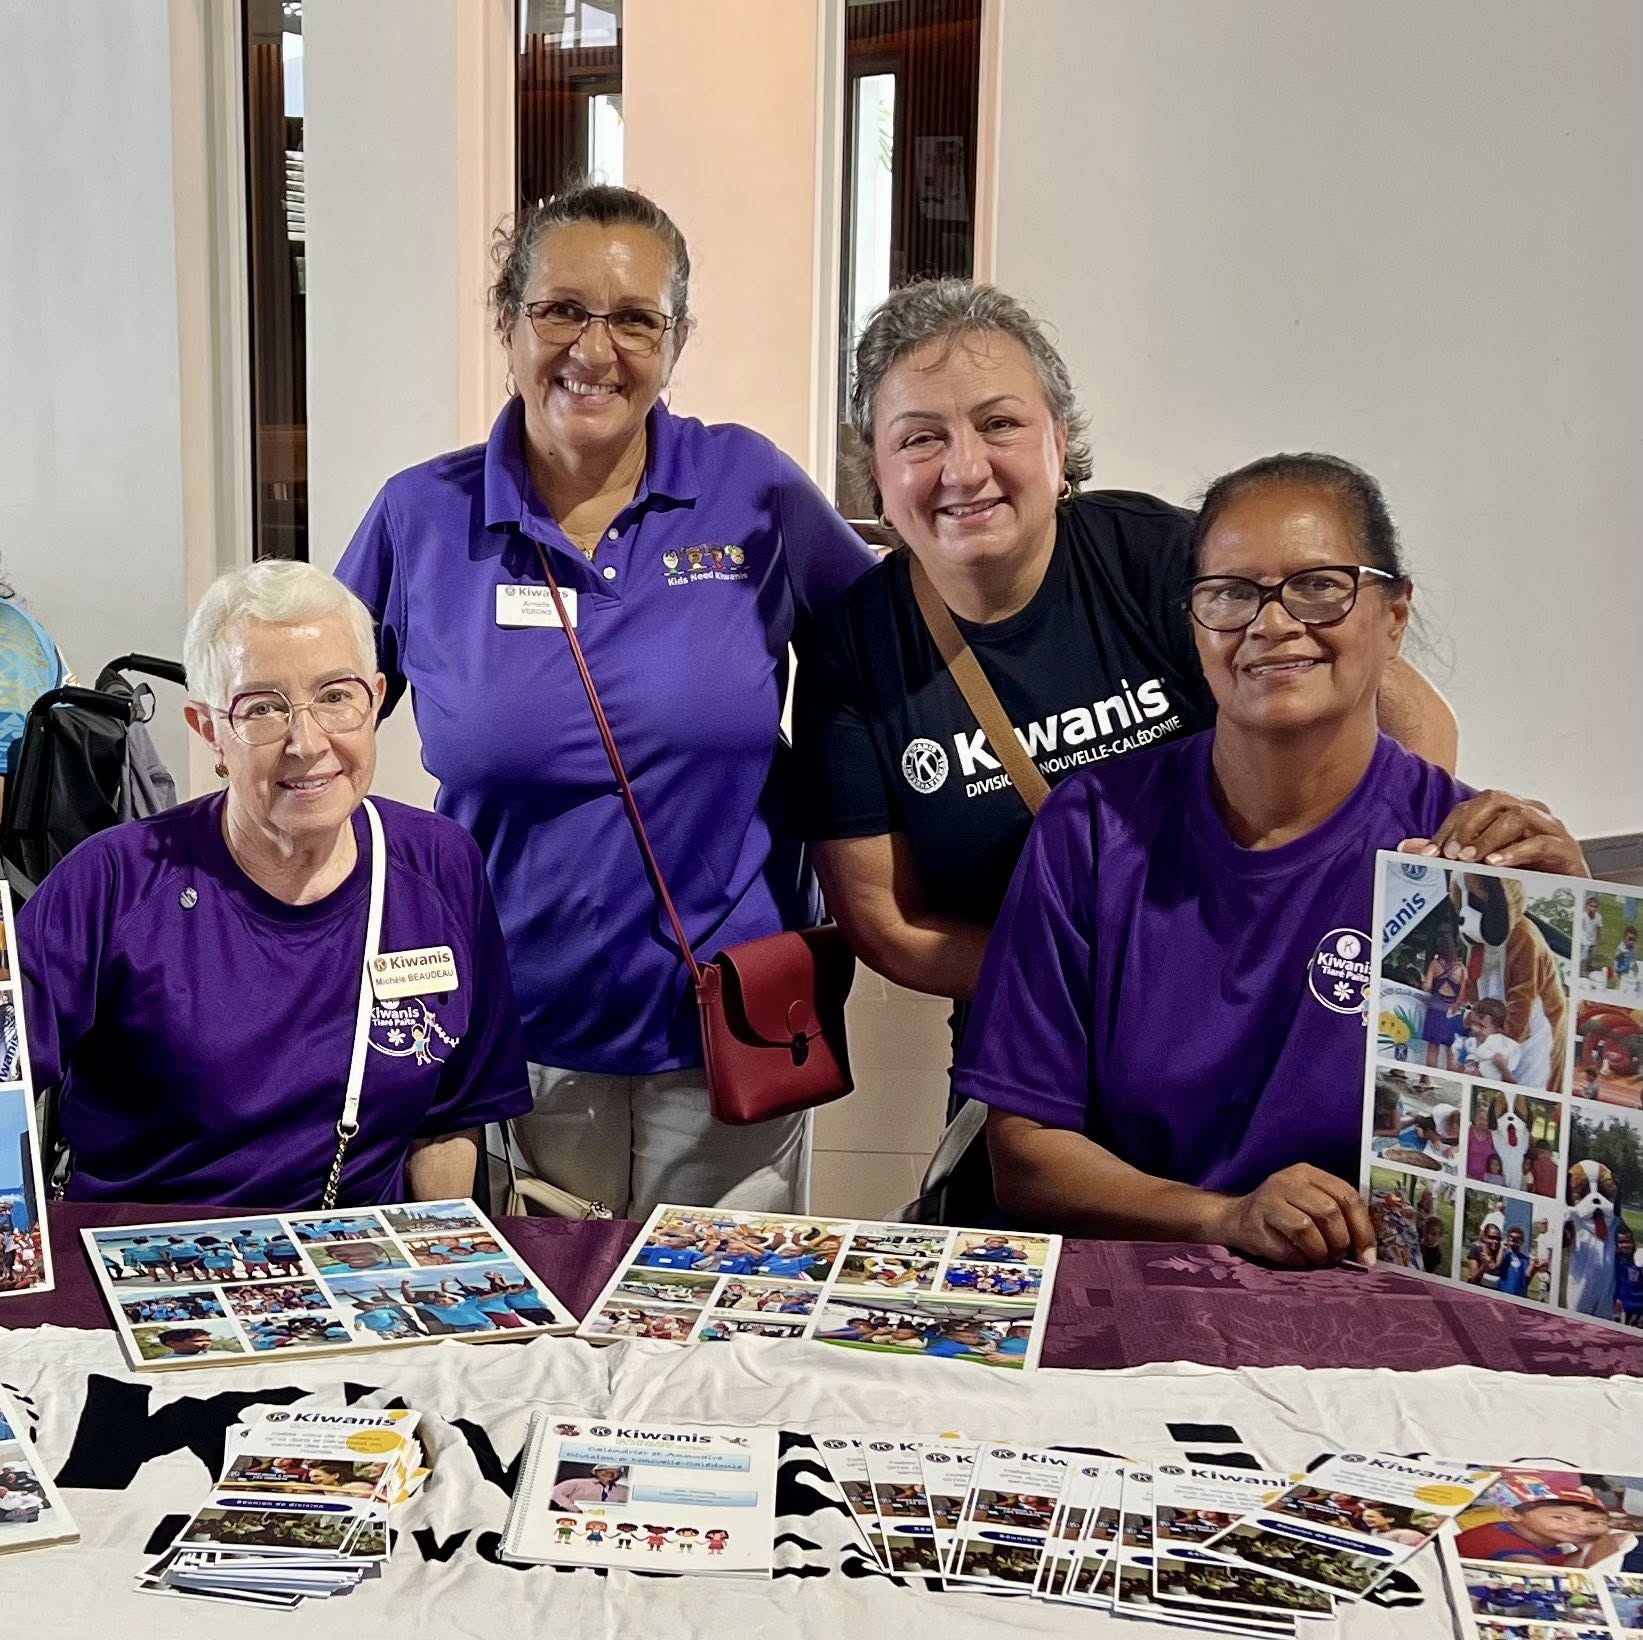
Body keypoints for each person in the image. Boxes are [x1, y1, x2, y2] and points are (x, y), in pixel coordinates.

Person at [337, 182, 874, 1219]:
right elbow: (325, 711)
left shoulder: (750, 488)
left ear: (675, 342)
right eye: (561, 310)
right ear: (508, 321)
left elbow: (884, 656)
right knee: (542, 1309)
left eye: (635, 318)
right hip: (516, 1030)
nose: (595, 348)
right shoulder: (423, 515)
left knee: (720, 1312)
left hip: (734, 1021)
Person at [949, 453, 1584, 1263]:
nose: (1272, 623)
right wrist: (1223, 1217)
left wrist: (1582, 950)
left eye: (1318, 586)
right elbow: (1026, 1155)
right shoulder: (1095, 829)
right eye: (1230, 593)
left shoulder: (1463, 866)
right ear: (1194, 623)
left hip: (1372, 1296)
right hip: (1135, 1281)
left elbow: (1544, 1166)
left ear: (1393, 617)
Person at [796, 282, 1458, 1035]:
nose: (966, 469)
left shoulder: (1155, 557)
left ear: (1059, 441)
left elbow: (1412, 720)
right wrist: (1109, 980)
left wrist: (1377, 898)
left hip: (1259, 1002)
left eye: (999, 424)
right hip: (1040, 1026)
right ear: (877, 471)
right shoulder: (852, 648)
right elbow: (889, 923)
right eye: (920, 439)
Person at [18, 561, 531, 1207]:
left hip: (355, 1253)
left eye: (336, 697)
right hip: (148, 1248)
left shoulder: (438, 864)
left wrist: (436, 1247)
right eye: (261, 708)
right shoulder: (114, 881)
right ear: (210, 731)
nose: (306, 743)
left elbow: (452, 1113)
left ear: (375, 701)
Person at [1421, 928, 1468, 1069]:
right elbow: (1463, 996)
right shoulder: (1462, 970)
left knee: (1432, 1047)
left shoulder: (1434, 964)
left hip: (1435, 1009)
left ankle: (1427, 1078)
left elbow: (1427, 987)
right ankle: (1450, 1077)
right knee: (1451, 1049)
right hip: (1453, 1012)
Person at [552, 1465, 631, 1510]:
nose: (610, 1473)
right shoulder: (577, 1483)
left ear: (619, 1475)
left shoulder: (626, 1490)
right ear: (594, 1471)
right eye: (605, 1470)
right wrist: (573, 1509)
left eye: (615, 1471)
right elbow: (554, 1492)